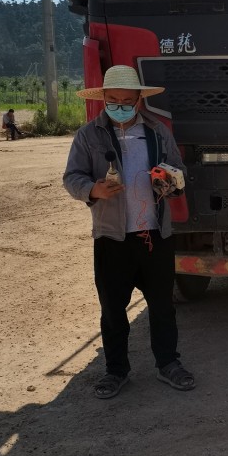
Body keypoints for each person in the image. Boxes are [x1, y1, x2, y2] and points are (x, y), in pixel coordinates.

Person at [63, 65, 195, 400]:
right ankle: (116, 371)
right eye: (113, 100)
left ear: (138, 100)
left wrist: (171, 181)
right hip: (112, 238)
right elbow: (72, 177)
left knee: (162, 306)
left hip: (155, 235)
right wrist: (93, 189)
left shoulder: (158, 132)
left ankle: (168, 364)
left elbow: (178, 170)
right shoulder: (88, 136)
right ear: (103, 99)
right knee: (112, 310)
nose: (120, 106)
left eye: (127, 100)